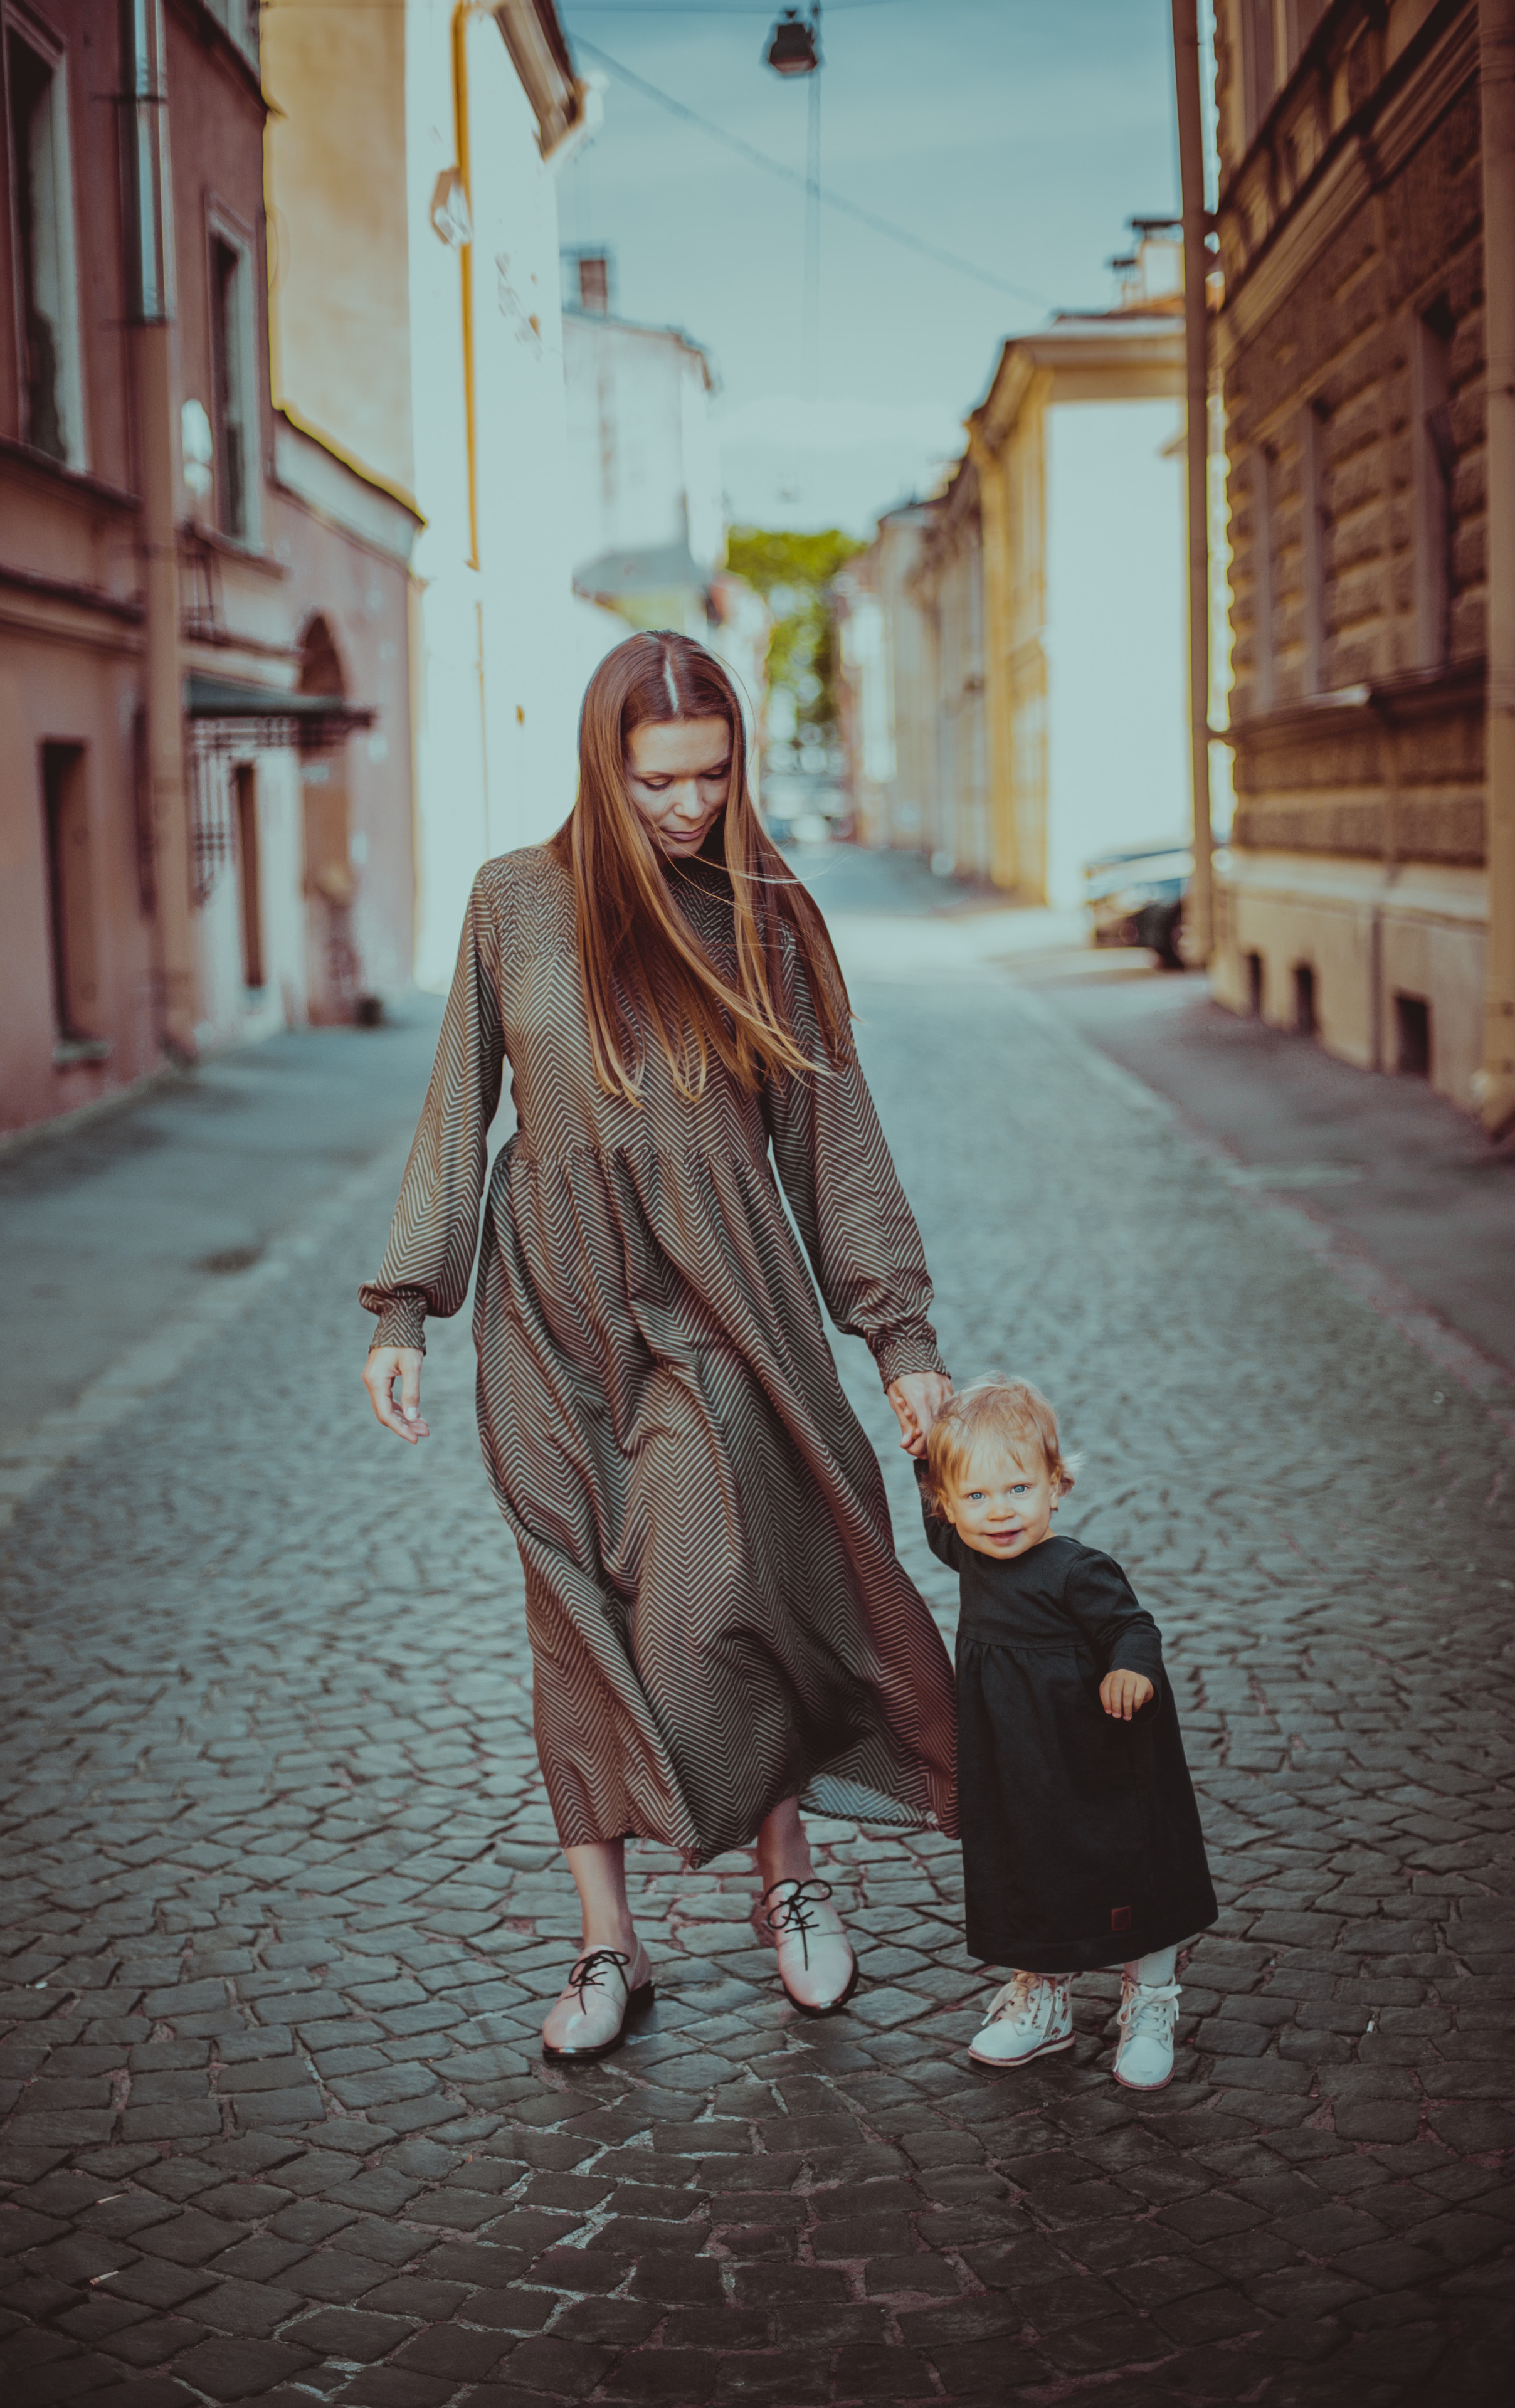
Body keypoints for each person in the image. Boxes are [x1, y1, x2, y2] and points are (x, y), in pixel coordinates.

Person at [361, 631, 958, 2062]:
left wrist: (899, 1339)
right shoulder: (513, 902)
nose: (689, 803)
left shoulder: (765, 914)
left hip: (718, 1312)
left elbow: (834, 1144)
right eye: (656, 781)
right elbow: (459, 1106)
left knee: (718, 1591)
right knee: (575, 1617)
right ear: (602, 767)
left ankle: (786, 1883)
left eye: (710, 773)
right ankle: (603, 1942)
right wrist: (403, 1305)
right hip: (550, 1317)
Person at [917, 1375, 1217, 2091]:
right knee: (1031, 1866)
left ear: (1058, 1486)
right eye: (977, 1497)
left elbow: (1130, 1626)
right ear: (950, 1506)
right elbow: (933, 1516)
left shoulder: (1076, 1568)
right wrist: (922, 1450)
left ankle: (1149, 2000)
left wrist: (1130, 1672)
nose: (998, 1514)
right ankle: (1044, 1999)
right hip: (1018, 1759)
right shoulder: (969, 1552)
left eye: (1018, 1489)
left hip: (1099, 1755)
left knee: (1128, 1867)